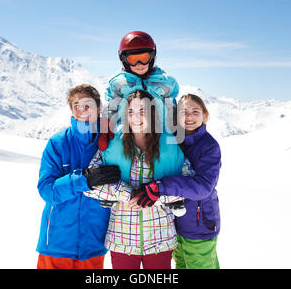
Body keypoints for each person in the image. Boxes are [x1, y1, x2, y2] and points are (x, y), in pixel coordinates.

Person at [84, 90, 185, 269]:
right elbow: (89, 182)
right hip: (122, 239)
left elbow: (189, 184)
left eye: (142, 111)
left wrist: (156, 194)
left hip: (160, 238)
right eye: (130, 112)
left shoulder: (170, 147)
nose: (136, 117)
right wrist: (126, 193)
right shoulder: (112, 145)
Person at [36, 84, 121, 269]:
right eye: (76, 106)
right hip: (57, 243)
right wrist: (84, 180)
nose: (82, 110)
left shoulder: (111, 143)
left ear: (99, 109)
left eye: (87, 105)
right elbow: (46, 190)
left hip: (93, 242)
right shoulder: (58, 143)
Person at [137, 93, 222, 269]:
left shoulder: (209, 146)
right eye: (184, 111)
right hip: (176, 226)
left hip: (200, 226)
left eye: (195, 111)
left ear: (205, 115)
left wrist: (162, 187)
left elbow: (203, 187)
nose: (189, 116)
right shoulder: (174, 141)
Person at [99, 31, 180, 151]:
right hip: (127, 133)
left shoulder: (165, 82)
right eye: (133, 59)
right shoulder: (118, 83)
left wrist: (176, 127)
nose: (139, 64)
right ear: (124, 60)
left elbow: (172, 105)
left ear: (152, 57)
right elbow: (111, 107)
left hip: (160, 133)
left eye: (144, 58)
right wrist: (106, 125)